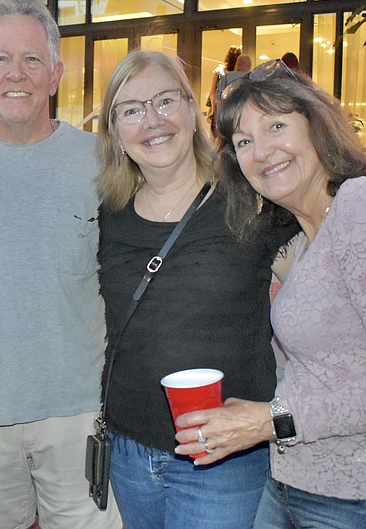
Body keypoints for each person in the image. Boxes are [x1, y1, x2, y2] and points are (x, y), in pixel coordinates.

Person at [175, 59, 366, 528]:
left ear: (316, 125)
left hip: (365, 495)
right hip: (291, 482)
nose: (261, 151)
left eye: (276, 125)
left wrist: (272, 420)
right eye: (243, 142)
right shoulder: (303, 239)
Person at [0, 0, 121, 529]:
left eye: (32, 59)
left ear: (56, 73)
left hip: (81, 406)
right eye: (0, 59)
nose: (16, 73)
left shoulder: (101, 160)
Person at [95, 50, 299, 528]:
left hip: (223, 458)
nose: (152, 120)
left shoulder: (248, 199)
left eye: (166, 100)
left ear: (193, 110)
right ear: (116, 134)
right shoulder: (105, 214)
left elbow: (325, 300)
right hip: (128, 449)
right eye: (131, 110)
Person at [208, 45, 241, 132]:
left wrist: (214, 109)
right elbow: (213, 92)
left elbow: (212, 92)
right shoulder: (238, 75)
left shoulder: (221, 73)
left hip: (222, 106)